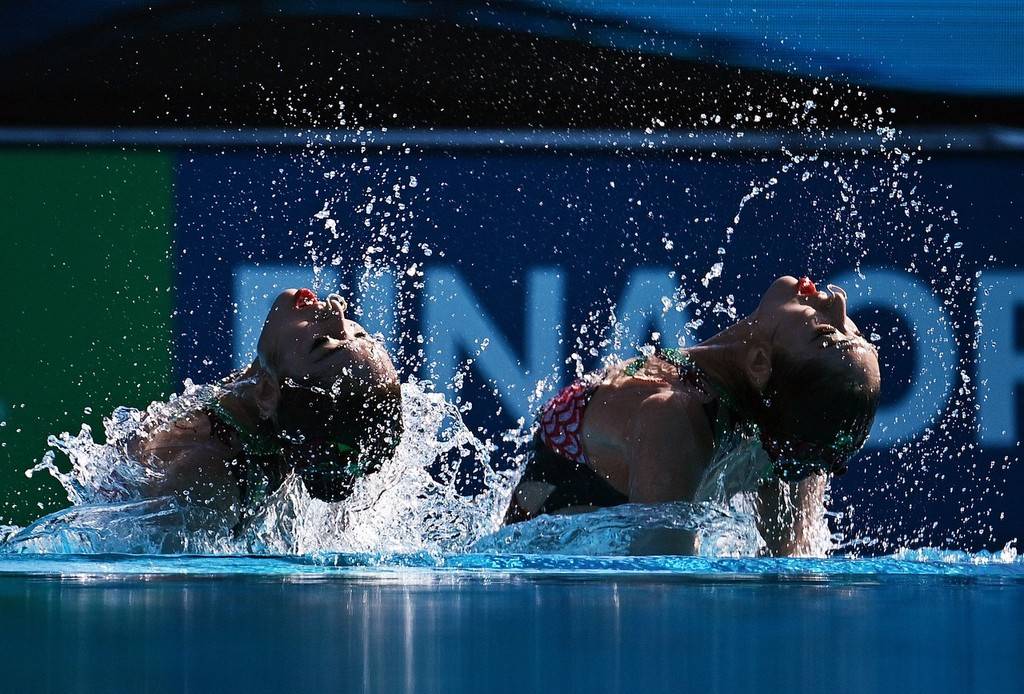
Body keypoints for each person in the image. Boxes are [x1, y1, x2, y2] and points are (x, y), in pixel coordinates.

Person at [504, 275, 881, 556]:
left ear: (759, 364)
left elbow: (662, 591)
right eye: (855, 332)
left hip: (547, 598)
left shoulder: (674, 417)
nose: (839, 303)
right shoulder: (789, 446)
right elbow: (795, 575)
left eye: (826, 334)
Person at [126, 288, 403, 530]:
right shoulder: (257, 407)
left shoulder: (203, 478)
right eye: (359, 333)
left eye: (320, 343)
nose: (336, 312)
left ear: (268, 393)